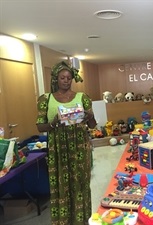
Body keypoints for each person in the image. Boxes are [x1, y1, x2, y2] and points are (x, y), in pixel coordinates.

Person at [36, 61, 97, 225]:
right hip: (57, 149)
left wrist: (90, 115)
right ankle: (63, 220)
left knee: (80, 182)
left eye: (69, 78)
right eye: (62, 77)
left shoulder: (82, 97)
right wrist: (54, 123)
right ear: (56, 78)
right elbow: (40, 126)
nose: (66, 80)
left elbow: (92, 126)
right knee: (61, 183)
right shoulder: (45, 99)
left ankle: (81, 218)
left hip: (79, 147)